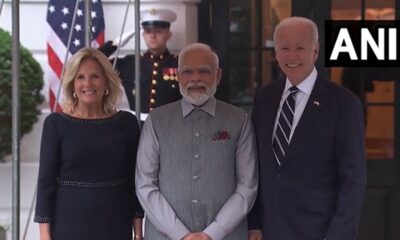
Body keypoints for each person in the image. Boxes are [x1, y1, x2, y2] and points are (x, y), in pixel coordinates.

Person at [248, 17, 366, 240]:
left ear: (316, 50)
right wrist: (253, 223)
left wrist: (339, 235)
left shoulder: (343, 103)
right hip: (269, 228)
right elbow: (254, 165)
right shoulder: (265, 98)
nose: (291, 56)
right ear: (276, 53)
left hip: (318, 230)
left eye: (300, 48)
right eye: (284, 48)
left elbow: (353, 179)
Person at [135, 43, 258, 240]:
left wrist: (212, 233)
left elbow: (247, 186)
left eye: (204, 71)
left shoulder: (239, 120)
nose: (195, 78)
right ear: (178, 75)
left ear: (218, 75)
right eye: (188, 71)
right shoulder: (156, 121)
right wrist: (180, 234)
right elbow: (145, 184)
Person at [34, 47, 144, 240]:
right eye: (80, 77)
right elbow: (46, 183)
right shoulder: (55, 124)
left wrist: (138, 233)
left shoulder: (126, 123)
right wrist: (44, 235)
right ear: (72, 84)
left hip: (115, 224)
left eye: (95, 76)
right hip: (68, 225)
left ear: (107, 82)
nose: (88, 84)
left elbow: (134, 181)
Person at [99, 8, 181, 120]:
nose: (152, 36)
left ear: (169, 35)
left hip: (169, 125)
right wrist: (116, 43)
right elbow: (94, 60)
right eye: (148, 31)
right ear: (143, 35)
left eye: (158, 31)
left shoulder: (180, 63)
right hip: (137, 126)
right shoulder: (130, 63)